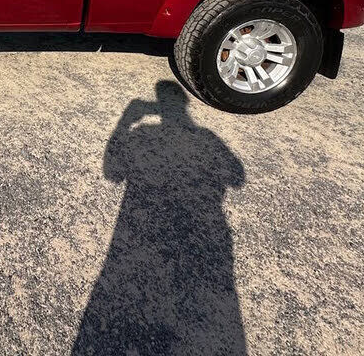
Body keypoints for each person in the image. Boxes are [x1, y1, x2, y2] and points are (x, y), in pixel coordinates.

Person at [73, 81, 247, 355]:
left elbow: (112, 172)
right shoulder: (207, 137)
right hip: (207, 233)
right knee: (204, 300)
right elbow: (237, 177)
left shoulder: (144, 131)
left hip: (138, 234)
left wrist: (126, 120)